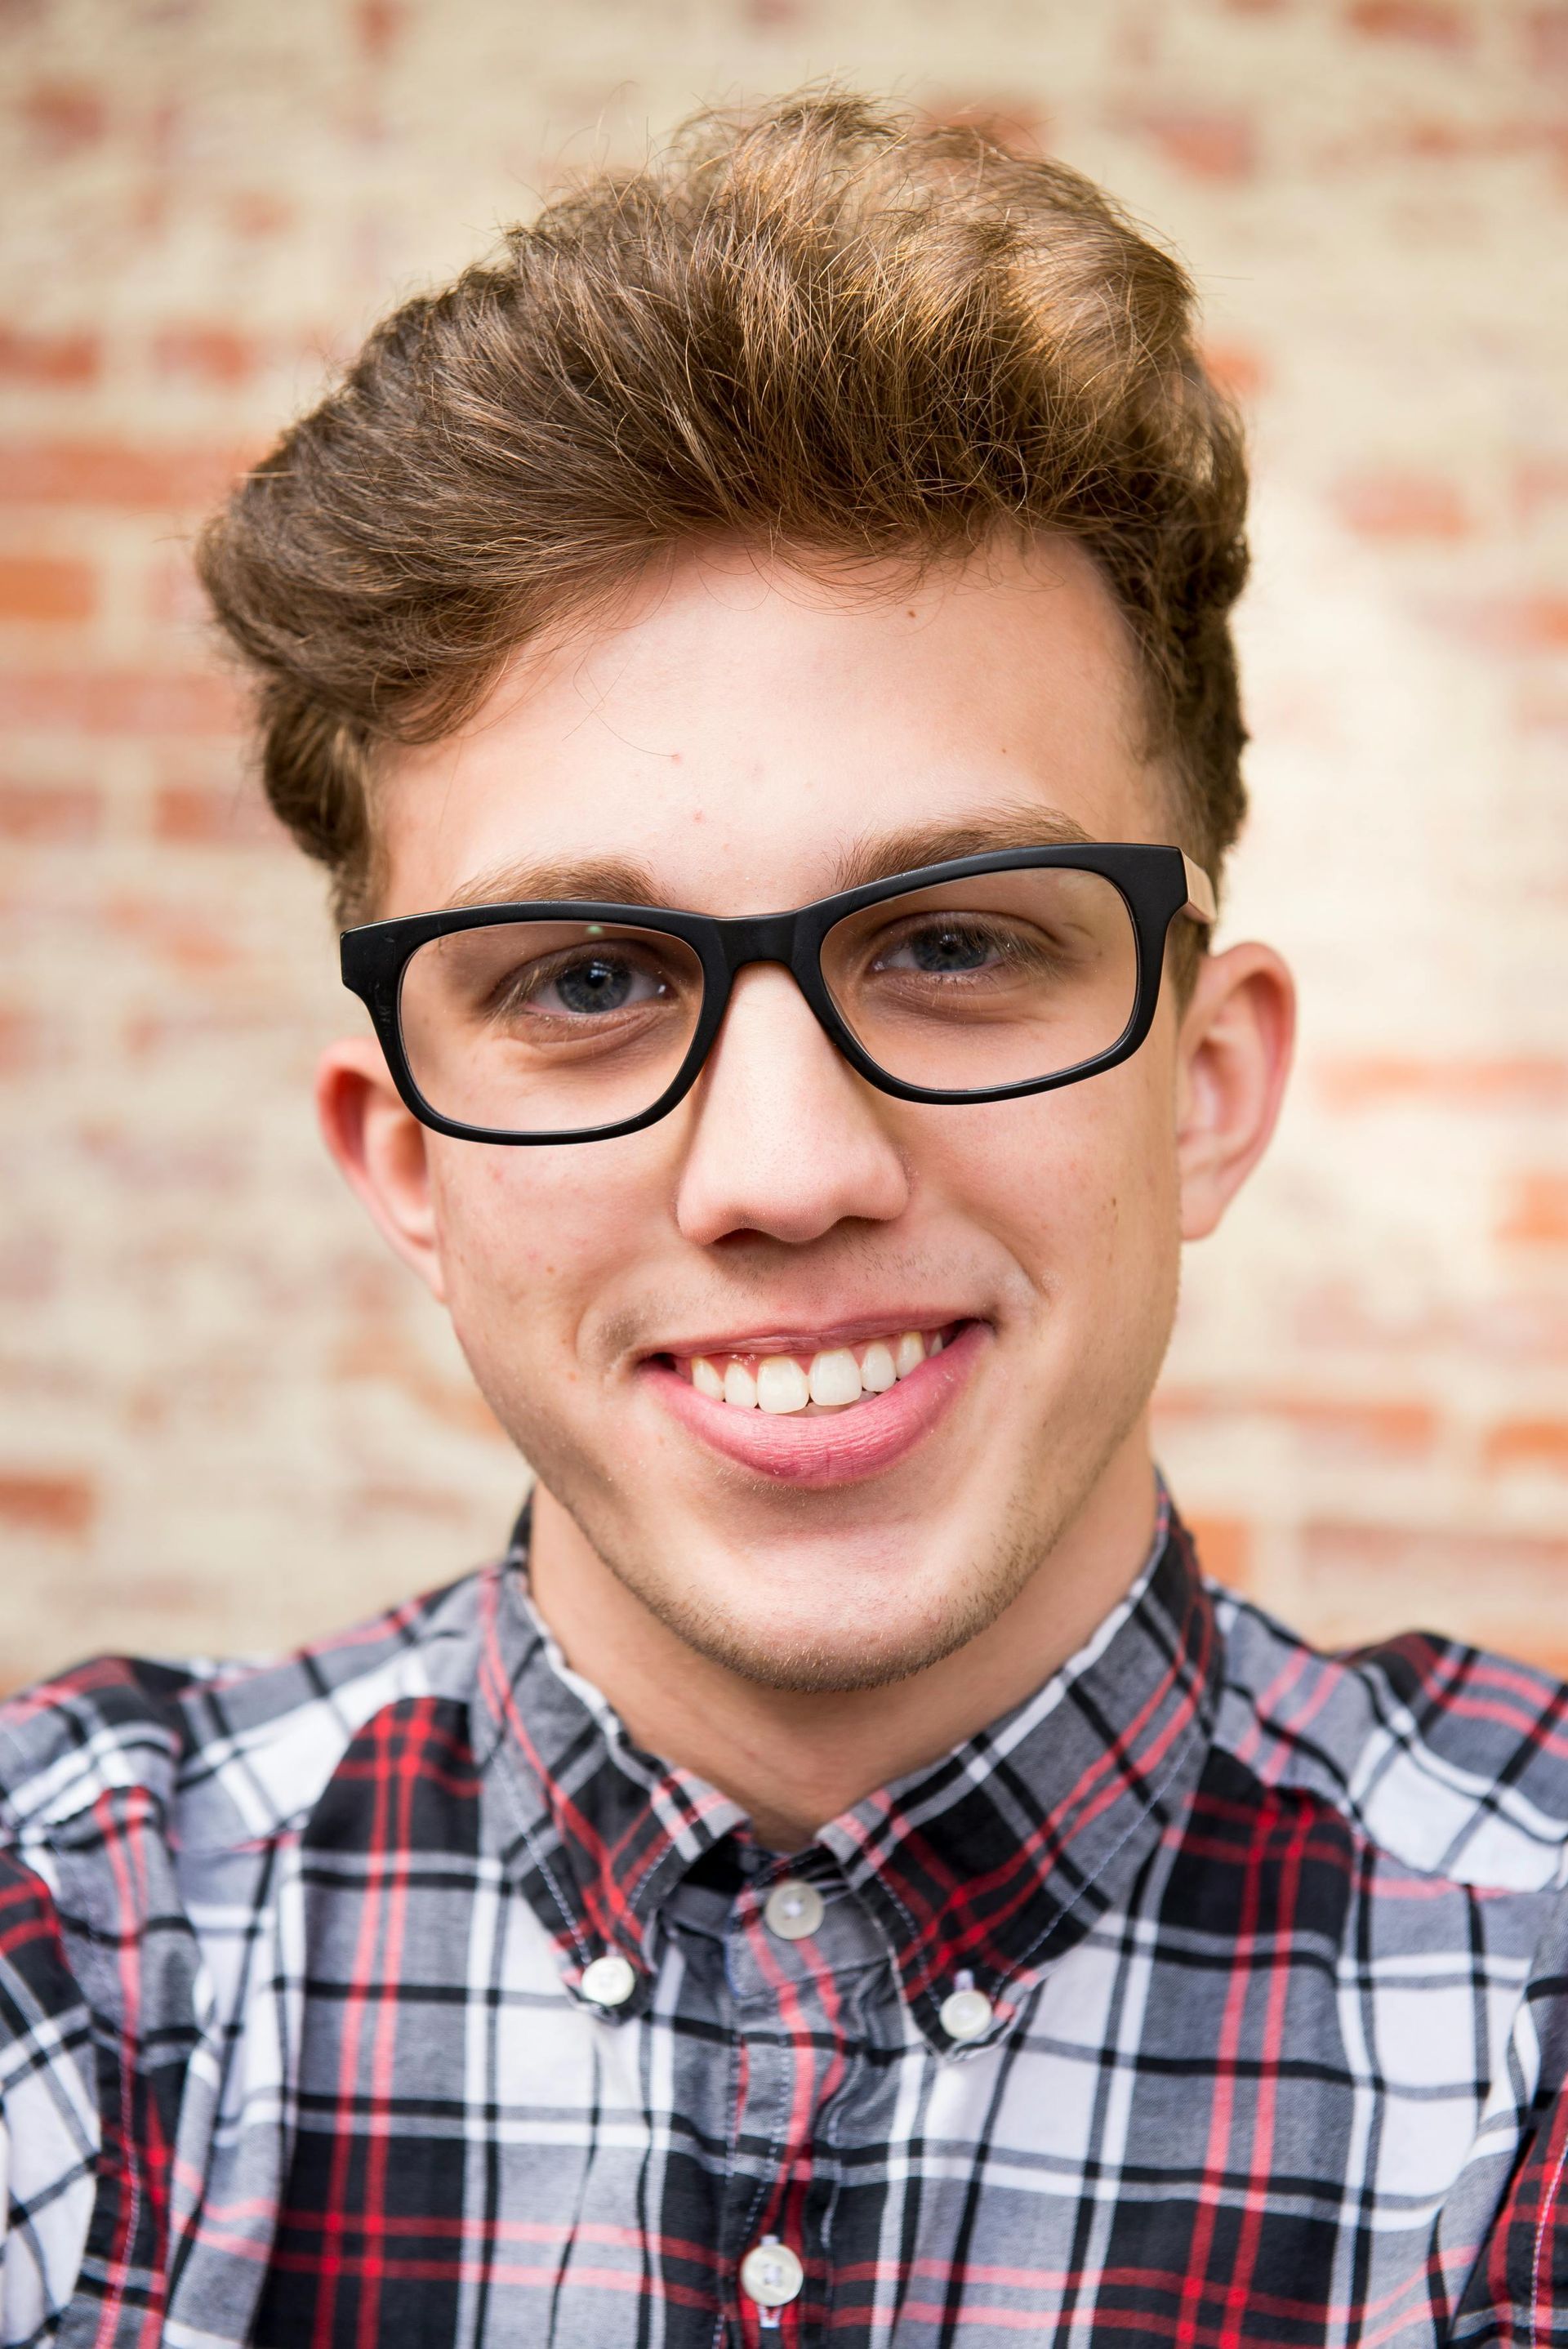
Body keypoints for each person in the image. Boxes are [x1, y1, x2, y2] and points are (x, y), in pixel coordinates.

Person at [2, 91, 1563, 2349]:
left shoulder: (1532, 2017)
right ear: (408, 1159)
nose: (785, 1170)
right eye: (591, 983)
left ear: (1207, 1090)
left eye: (951, 943)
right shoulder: (79, 1958)